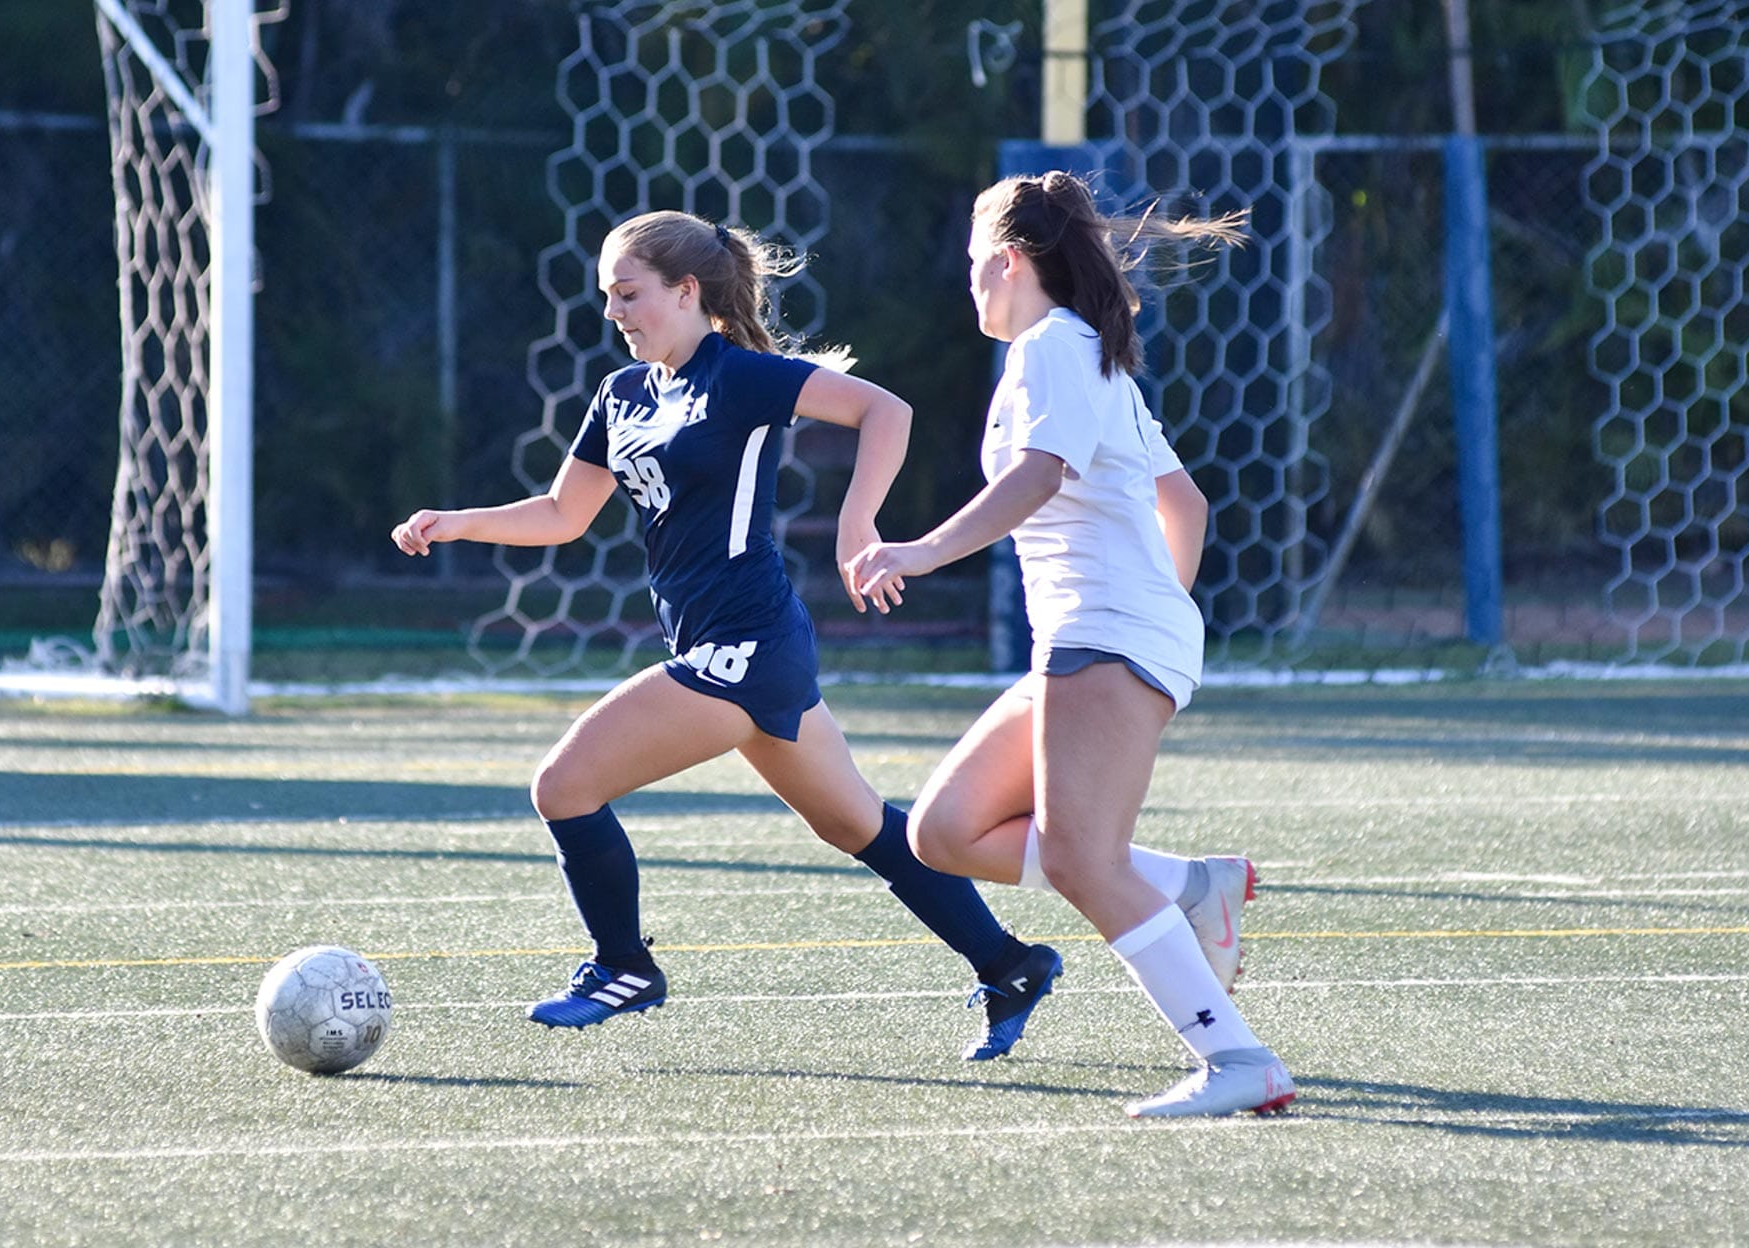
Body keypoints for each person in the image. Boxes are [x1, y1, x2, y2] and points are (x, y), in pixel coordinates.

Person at [391, 209, 1242, 1061]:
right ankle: (1008, 961)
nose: (614, 311)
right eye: (608, 296)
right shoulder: (622, 395)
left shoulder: (743, 376)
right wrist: (455, 523)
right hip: (712, 643)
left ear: (688, 292)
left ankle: (622, 966)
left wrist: (858, 521)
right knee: (868, 829)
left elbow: (885, 411)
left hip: (747, 644)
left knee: (564, 787)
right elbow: (561, 515)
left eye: (629, 293)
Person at [847, 171, 1296, 1117]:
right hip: (1108, 629)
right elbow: (1187, 503)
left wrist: (924, 550)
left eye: (974, 266)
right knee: (943, 830)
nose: (968, 284)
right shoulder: (1091, 354)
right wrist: (1155, 617)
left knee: (1086, 860)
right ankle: (1192, 885)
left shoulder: (1052, 347)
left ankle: (1238, 1061)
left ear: (1009, 261)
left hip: (1105, 631)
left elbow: (1041, 477)